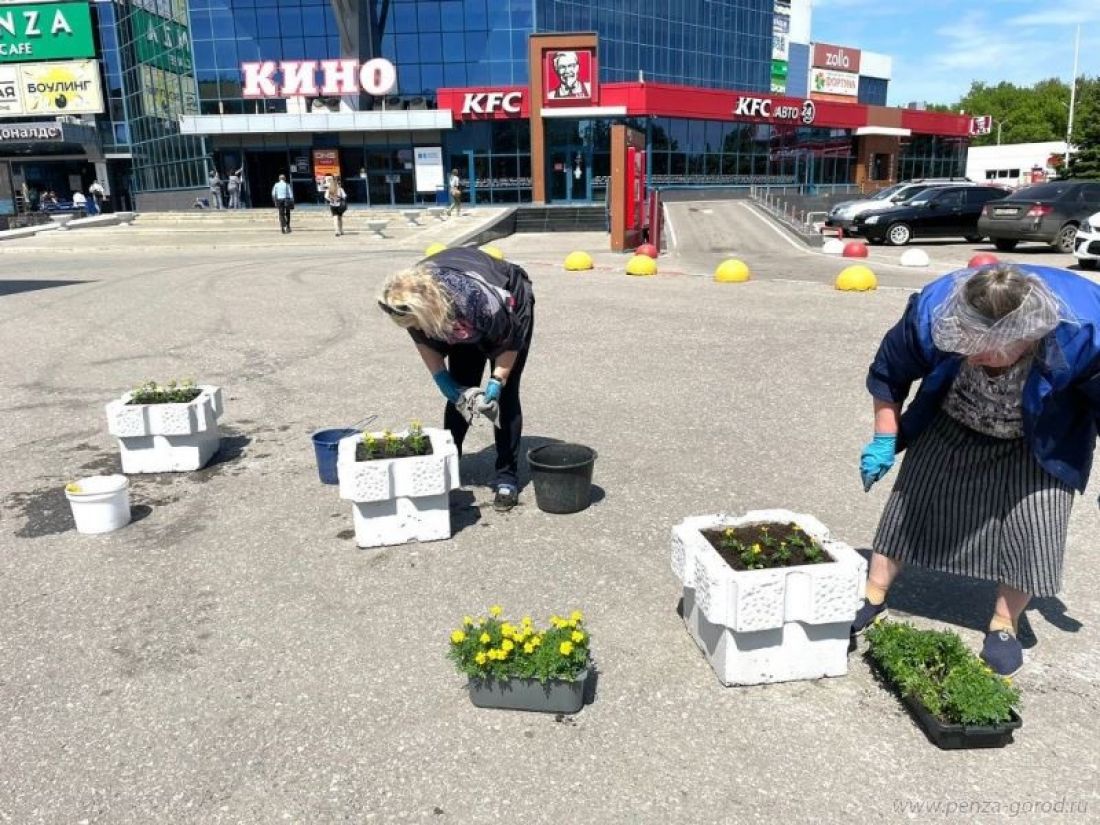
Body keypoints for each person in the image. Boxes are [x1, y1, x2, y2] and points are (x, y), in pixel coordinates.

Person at [856, 263, 1100, 677]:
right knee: (912, 501)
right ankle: (874, 594)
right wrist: (884, 439)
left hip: (1042, 431)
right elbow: (889, 372)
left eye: (990, 348)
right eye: (968, 342)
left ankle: (1004, 625)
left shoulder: (1086, 332)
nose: (976, 356)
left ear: (1028, 334)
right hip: (956, 414)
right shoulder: (935, 311)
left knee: (1037, 523)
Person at [377, 247, 535, 512]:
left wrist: (496, 382)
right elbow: (423, 340)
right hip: (450, 313)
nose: (414, 329)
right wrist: (444, 381)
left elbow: (508, 345)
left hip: (506, 304)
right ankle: (448, 466)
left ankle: (506, 475)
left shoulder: (483, 304)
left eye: (416, 323)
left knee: (507, 394)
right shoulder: (406, 298)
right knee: (462, 383)